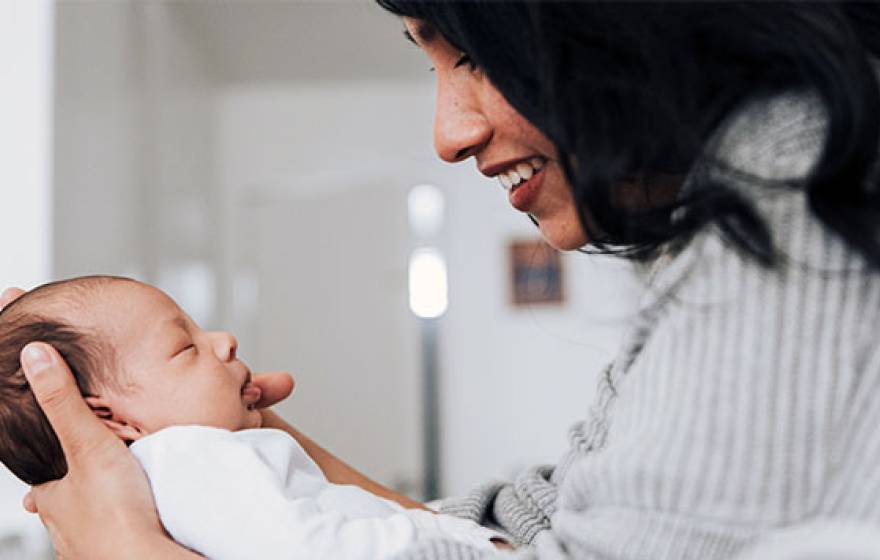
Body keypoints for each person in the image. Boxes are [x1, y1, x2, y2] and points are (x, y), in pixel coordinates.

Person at [6, 2, 880, 559]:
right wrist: (259, 432)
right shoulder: (728, 223)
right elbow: (537, 523)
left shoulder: (795, 176)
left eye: (467, 55)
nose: (447, 133)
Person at [0, 276, 505, 559]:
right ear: (114, 421)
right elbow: (305, 553)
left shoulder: (175, 474)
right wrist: (453, 547)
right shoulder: (185, 458)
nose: (223, 341)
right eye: (184, 347)